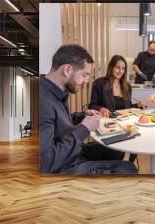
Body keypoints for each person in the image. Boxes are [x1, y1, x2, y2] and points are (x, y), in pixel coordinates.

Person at [39, 44, 137, 175]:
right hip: (65, 166)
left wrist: (82, 115)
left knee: (116, 150)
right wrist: (84, 129)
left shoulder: (57, 92)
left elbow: (60, 122)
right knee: (129, 169)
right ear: (67, 70)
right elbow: (45, 162)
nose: (86, 81)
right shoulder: (43, 100)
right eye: (84, 75)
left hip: (73, 152)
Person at [89, 55, 146, 162]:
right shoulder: (99, 83)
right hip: (109, 126)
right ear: (111, 67)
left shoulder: (127, 86)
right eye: (117, 67)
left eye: (123, 68)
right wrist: (101, 108)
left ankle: (130, 163)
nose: (120, 71)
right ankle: (119, 166)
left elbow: (127, 108)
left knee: (139, 137)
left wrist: (137, 106)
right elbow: (92, 106)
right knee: (116, 154)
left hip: (124, 125)